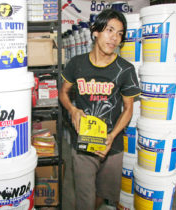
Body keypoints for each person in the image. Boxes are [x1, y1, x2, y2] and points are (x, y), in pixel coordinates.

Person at [59, 9, 141, 210]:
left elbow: (128, 109)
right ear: (95, 31)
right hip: (84, 143)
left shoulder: (126, 69)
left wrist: (112, 136)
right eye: (109, 30)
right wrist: (73, 109)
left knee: (105, 195)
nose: (114, 38)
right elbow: (63, 93)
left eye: (120, 33)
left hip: (112, 147)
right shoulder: (76, 64)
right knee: (84, 199)